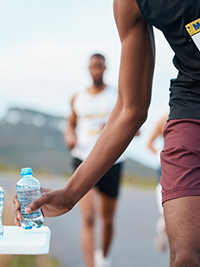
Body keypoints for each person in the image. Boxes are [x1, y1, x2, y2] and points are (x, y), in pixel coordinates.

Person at [14, 0, 200, 266]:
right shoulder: (131, 3)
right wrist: (69, 194)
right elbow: (130, 109)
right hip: (195, 121)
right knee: (187, 259)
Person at [63, 53, 128, 267]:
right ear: (88, 68)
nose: (96, 70)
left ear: (105, 68)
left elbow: (132, 125)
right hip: (83, 158)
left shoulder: (117, 96)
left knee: (107, 221)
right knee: (89, 218)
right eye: (93, 66)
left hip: (112, 160)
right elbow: (70, 124)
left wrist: (113, 129)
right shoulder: (78, 97)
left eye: (100, 66)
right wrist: (70, 136)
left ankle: (105, 258)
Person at [146, 114, 168, 253]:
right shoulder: (163, 118)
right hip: (165, 169)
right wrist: (160, 156)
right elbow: (149, 143)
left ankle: (164, 230)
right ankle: (162, 231)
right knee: (167, 210)